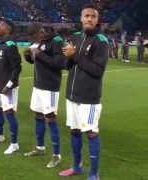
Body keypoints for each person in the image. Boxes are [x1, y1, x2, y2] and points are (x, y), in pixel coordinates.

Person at [60, 4, 109, 180]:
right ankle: (76, 167)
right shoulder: (75, 37)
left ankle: (94, 174)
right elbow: (67, 65)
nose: (89, 19)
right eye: (86, 16)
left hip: (89, 97)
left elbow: (97, 70)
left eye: (92, 16)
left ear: (97, 20)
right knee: (74, 130)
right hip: (72, 95)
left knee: (91, 132)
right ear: (81, 18)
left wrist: (74, 55)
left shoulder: (101, 41)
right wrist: (67, 56)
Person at [23, 23, 66, 168]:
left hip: (50, 87)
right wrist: (28, 56)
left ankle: (56, 155)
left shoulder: (57, 41)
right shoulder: (39, 42)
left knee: (50, 118)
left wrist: (40, 54)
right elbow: (36, 61)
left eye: (34, 36)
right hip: (38, 85)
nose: (33, 39)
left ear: (42, 32)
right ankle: (40, 148)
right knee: (38, 115)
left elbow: (60, 63)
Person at [0, 19, 22, 155]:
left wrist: (9, 85)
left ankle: (14, 144)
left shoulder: (10, 45)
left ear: (9, 29)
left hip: (7, 87)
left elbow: (17, 67)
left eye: (2, 26)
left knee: (9, 113)